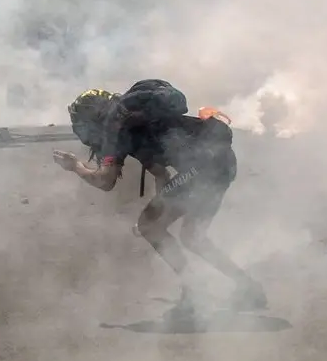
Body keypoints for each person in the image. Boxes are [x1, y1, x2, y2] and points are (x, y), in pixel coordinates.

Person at [53, 80, 267, 315]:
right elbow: (160, 173)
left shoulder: (115, 128)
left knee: (159, 228)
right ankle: (248, 287)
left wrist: (75, 167)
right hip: (223, 163)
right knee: (192, 236)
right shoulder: (135, 114)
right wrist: (156, 216)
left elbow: (105, 181)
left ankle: (195, 293)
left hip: (202, 169)